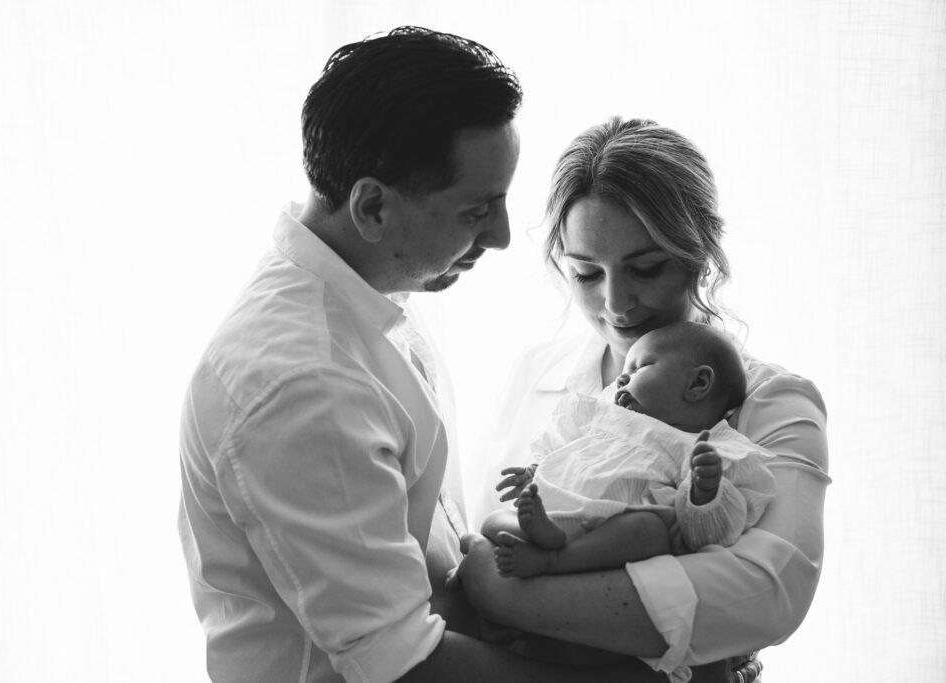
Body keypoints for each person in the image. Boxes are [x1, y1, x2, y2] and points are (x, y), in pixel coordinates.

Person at [177, 28, 664, 683]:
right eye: (475, 210)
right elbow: (404, 666)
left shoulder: (365, 293)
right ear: (373, 206)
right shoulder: (303, 382)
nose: (499, 235)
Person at [454, 117, 830, 683]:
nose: (617, 304)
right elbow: (485, 522)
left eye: (646, 268)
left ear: (698, 254)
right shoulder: (537, 373)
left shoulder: (773, 401)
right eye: (586, 273)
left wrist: (506, 597)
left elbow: (768, 590)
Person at [482, 321, 776, 580]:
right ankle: (546, 544)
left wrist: (706, 492)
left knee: (649, 530)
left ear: (697, 383)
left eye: (640, 367)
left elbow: (712, 536)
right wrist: (535, 471)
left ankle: (555, 559)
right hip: (554, 516)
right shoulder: (601, 413)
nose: (622, 379)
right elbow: (561, 445)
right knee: (493, 522)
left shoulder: (705, 448)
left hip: (611, 540)